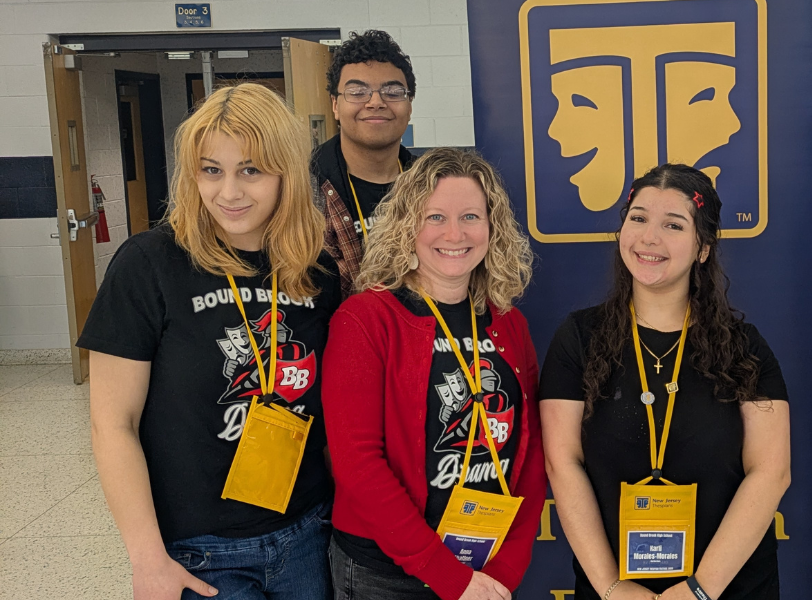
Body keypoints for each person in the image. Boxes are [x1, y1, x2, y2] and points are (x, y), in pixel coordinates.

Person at [82, 83, 340, 600]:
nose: (230, 192)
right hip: (199, 550)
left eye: (251, 169)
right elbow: (112, 423)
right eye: (210, 170)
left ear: (285, 172)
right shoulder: (149, 264)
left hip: (308, 534)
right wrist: (147, 557)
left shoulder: (315, 270)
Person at [541, 164, 791, 600]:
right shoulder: (579, 338)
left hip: (728, 589)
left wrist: (698, 590)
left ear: (703, 248)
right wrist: (612, 588)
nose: (649, 237)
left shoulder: (742, 347)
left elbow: (771, 472)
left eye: (672, 224)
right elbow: (563, 465)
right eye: (637, 218)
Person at [321, 148, 545, 600]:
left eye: (470, 216)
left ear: (491, 227)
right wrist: (447, 577)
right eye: (435, 217)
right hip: (388, 574)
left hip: (486, 568)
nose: (455, 233)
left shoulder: (508, 324)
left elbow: (532, 451)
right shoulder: (365, 319)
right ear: (408, 224)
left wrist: (506, 568)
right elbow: (358, 465)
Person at [314, 29, 418, 299]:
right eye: (358, 91)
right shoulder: (301, 187)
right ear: (335, 105)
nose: (375, 102)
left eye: (393, 92)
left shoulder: (431, 185)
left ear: (409, 106)